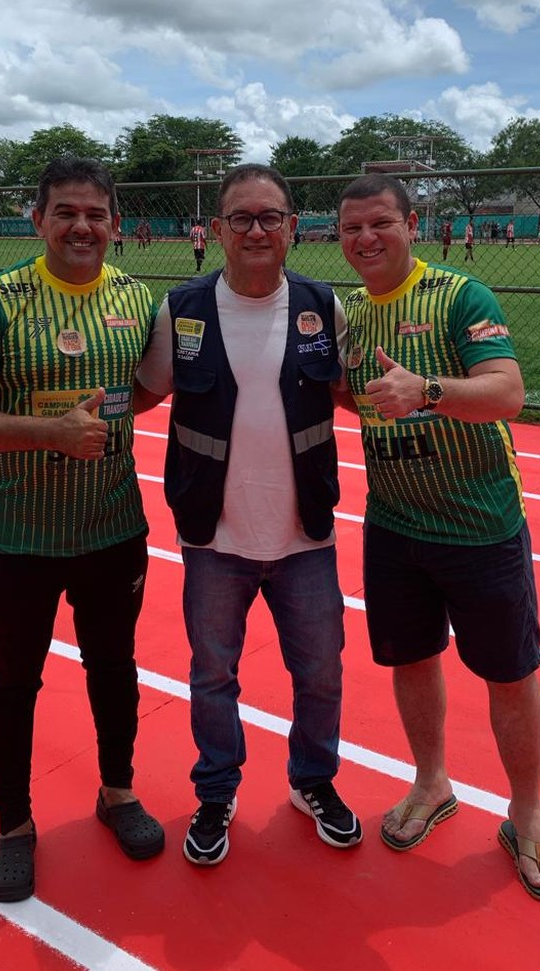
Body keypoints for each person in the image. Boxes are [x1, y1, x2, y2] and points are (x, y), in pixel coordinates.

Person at [0, 157, 164, 904]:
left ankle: (118, 791)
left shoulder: (138, 298)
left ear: (116, 225)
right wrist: (52, 434)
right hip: (17, 536)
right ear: (37, 219)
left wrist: (102, 424)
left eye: (96, 213)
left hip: (113, 527)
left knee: (115, 667)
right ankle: (12, 824)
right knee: (10, 682)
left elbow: (147, 386)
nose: (81, 225)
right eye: (65, 211)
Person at [335, 173, 540, 902]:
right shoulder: (347, 316)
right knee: (411, 659)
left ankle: (526, 813)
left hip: (480, 526)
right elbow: (348, 388)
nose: (367, 239)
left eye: (380, 223)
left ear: (412, 223)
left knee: (508, 672)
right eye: (351, 230)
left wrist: (427, 389)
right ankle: (431, 782)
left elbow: (507, 391)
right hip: (394, 523)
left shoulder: (461, 295)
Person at [134, 163, 361, 866]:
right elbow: (144, 390)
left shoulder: (325, 304)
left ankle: (313, 780)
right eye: (242, 218)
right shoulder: (183, 307)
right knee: (212, 675)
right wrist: (64, 400)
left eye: (271, 217)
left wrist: (423, 388)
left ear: (293, 226)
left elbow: (357, 392)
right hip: (214, 535)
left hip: (305, 532)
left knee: (322, 670)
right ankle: (216, 790)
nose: (257, 230)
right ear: (218, 230)